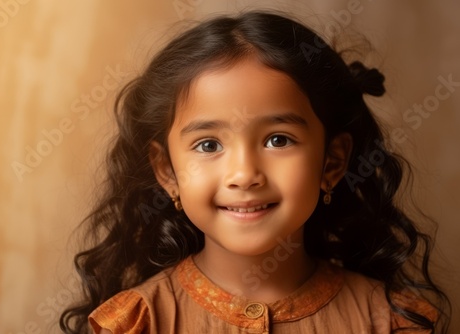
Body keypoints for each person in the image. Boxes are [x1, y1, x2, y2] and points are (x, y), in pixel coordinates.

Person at [59, 10, 450, 333]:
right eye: (208, 145)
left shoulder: (392, 322)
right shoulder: (136, 322)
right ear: (167, 172)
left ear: (331, 162)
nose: (244, 175)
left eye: (278, 140)